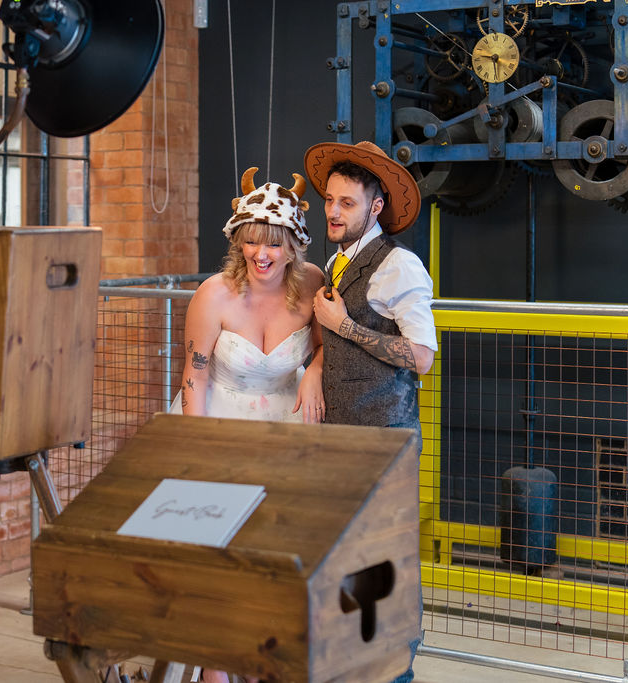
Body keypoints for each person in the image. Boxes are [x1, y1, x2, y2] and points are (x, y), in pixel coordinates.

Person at [304, 140, 437, 683]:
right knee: (349, 558)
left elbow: (422, 357)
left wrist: (346, 326)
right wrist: (315, 368)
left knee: (387, 558)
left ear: (375, 207)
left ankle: (397, 673)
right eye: (330, 200)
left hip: (385, 436)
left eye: (347, 203)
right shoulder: (336, 263)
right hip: (342, 436)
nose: (333, 212)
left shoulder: (399, 266)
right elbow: (330, 347)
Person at [174, 167, 326, 433]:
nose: (261, 255)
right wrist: (196, 439)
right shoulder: (212, 295)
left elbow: (324, 345)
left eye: (274, 245)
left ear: (293, 247)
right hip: (219, 421)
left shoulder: (313, 282)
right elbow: (195, 375)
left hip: (291, 419)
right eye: (252, 242)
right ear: (239, 243)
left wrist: (316, 369)